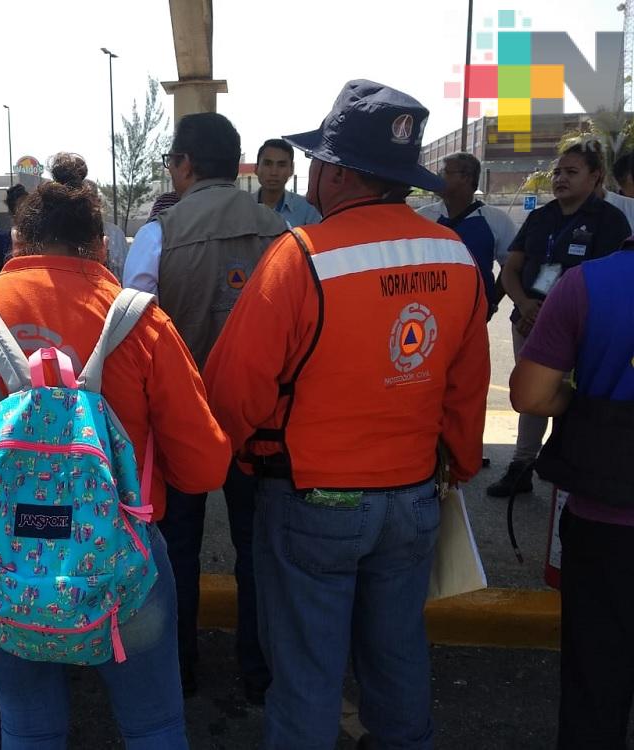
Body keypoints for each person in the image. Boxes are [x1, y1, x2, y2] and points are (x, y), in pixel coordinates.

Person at [0, 154, 230, 749]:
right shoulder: (142, 323)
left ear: (17, 242)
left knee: (27, 724)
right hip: (121, 563)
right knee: (153, 724)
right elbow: (205, 468)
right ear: (101, 248)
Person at [204, 79, 490, 749]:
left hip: (313, 502)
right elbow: (467, 387)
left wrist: (234, 456)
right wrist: (462, 466)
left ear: (331, 171)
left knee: (306, 676)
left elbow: (233, 390)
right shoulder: (454, 255)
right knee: (397, 660)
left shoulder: (301, 258)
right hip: (414, 500)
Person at [123, 112, 286, 702]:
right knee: (258, 548)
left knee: (176, 548)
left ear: (185, 165)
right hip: (261, 423)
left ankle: (179, 665)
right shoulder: (282, 231)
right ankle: (259, 669)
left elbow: (133, 335)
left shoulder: (157, 235)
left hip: (182, 421)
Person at [508, 246, 634, 749]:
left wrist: (584, 405)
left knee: (596, 685)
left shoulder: (586, 285)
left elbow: (532, 396)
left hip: (607, 522)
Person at [488, 140, 631, 497]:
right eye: (557, 172)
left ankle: (570, 467)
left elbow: (607, 280)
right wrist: (522, 305)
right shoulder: (540, 217)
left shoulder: (609, 221)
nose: (560, 179)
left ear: (595, 176)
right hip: (529, 320)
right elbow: (512, 268)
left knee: (576, 397)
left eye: (571, 172)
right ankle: (521, 466)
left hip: (580, 329)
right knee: (532, 395)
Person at [418, 151, 517, 318]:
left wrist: (492, 302)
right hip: (427, 315)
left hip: (474, 316)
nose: (438, 177)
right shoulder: (422, 217)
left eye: (444, 172)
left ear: (466, 177)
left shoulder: (497, 220)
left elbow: (511, 265)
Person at [254, 138, 321, 227]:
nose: (274, 172)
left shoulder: (308, 210)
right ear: (256, 168)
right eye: (268, 164)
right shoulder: (242, 208)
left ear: (292, 169)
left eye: (281, 165)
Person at [0, 183, 27, 276]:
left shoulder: (42, 240)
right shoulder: (0, 242)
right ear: (12, 212)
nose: (29, 210)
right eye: (22, 207)